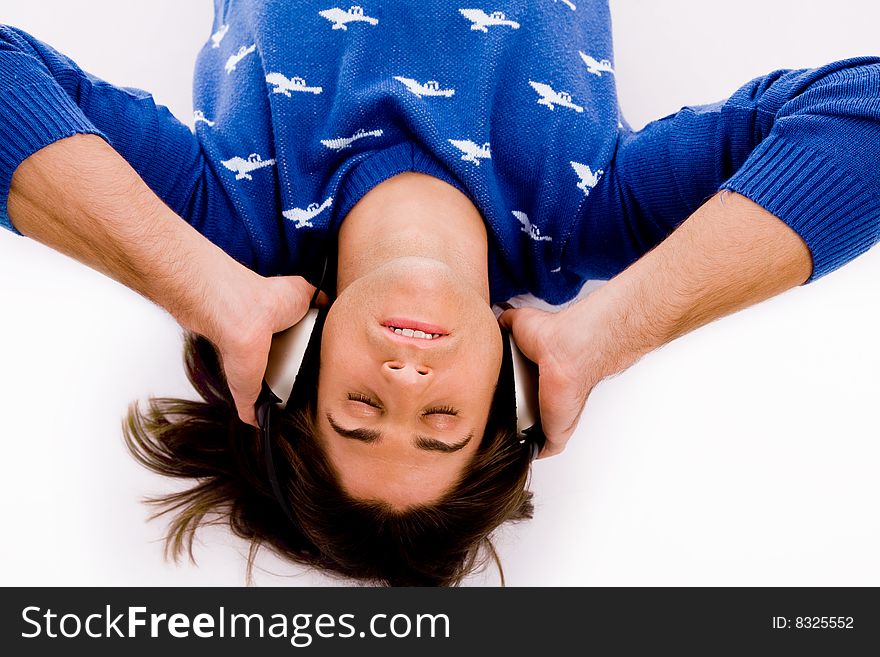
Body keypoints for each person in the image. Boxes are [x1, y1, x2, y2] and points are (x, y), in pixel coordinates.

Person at [1, 2, 878, 585]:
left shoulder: (228, 210)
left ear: (294, 367)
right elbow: (864, 106)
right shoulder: (587, 214)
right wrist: (609, 333)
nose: (406, 382)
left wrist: (203, 289)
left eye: (357, 410)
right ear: (510, 395)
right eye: (441, 425)